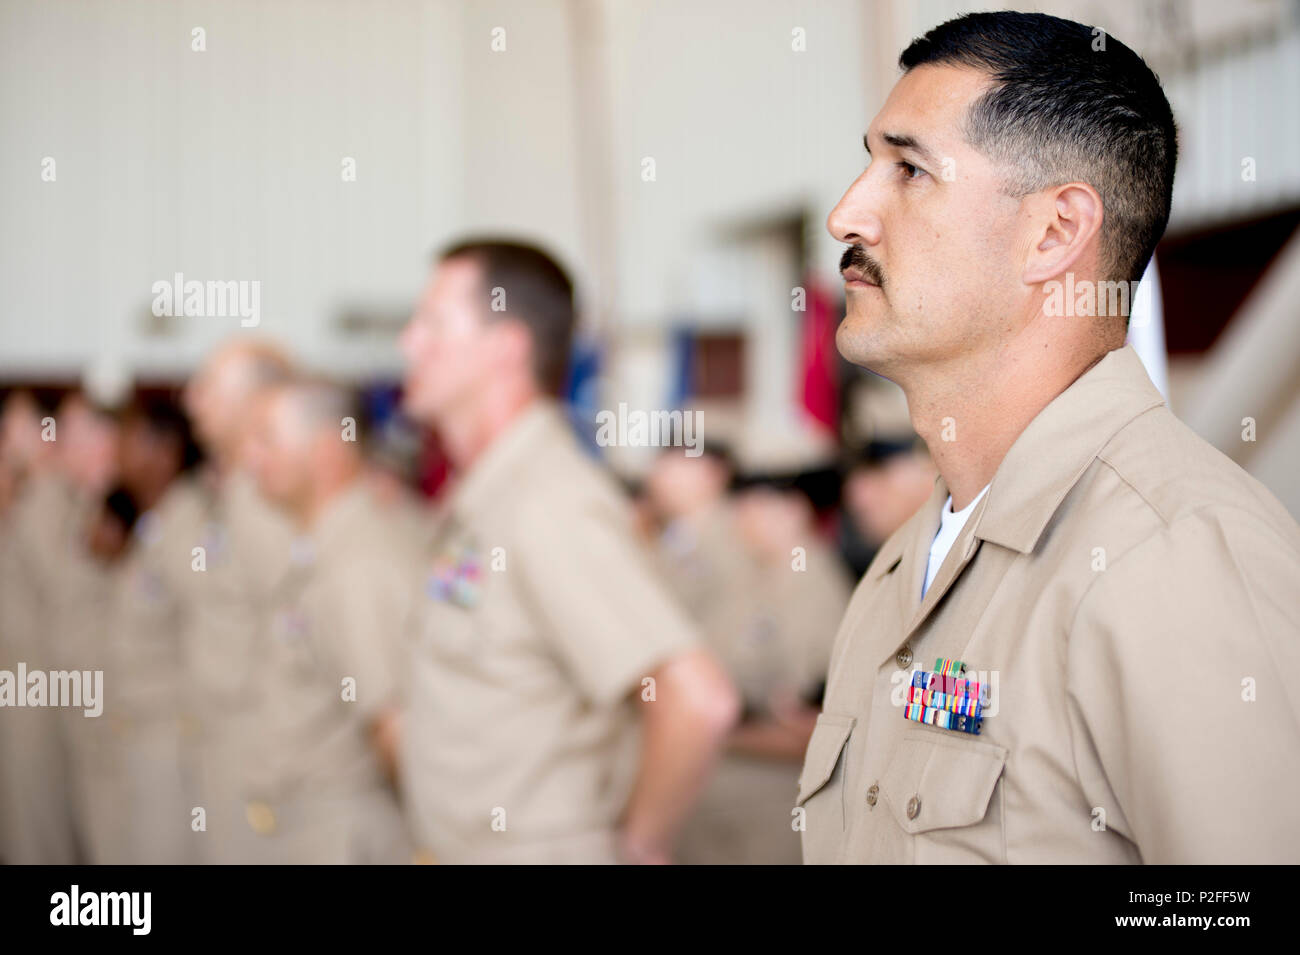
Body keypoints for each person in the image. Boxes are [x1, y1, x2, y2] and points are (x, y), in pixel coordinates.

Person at [800, 11, 1300, 864]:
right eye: (868, 163)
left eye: (909, 169)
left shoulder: (1176, 553)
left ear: (1057, 232)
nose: (848, 213)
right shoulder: (906, 562)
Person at [399, 239, 739, 864]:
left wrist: (640, 846)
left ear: (507, 347)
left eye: (433, 323)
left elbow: (697, 699)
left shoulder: (547, 499)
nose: (408, 343)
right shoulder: (491, 495)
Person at [226, 377, 415, 864]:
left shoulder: (356, 563)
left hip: (343, 835)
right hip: (307, 824)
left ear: (328, 449)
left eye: (267, 440)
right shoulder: (323, 547)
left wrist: (433, 846)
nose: (251, 460)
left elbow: (394, 728)